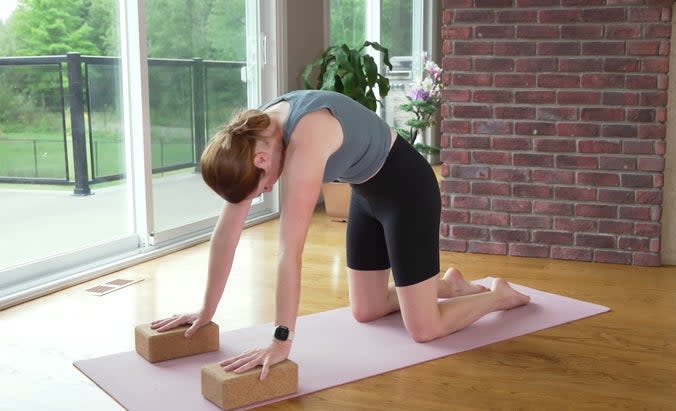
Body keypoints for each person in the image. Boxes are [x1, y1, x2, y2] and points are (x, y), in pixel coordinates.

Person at [150, 89, 530, 380]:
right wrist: (206, 310)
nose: (264, 193)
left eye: (261, 188)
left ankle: (497, 295)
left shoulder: (305, 140)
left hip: (407, 192)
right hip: (365, 195)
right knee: (366, 310)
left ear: (262, 161)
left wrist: (281, 340)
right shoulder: (248, 139)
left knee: (425, 329)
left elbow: (289, 253)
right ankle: (446, 286)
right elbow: (226, 233)